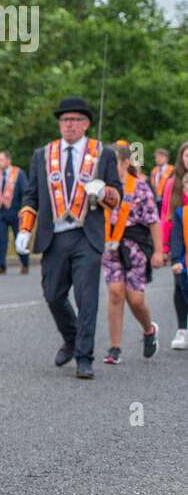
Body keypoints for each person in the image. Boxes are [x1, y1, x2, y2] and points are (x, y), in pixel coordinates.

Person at [15, 96, 120, 379]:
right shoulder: (43, 154)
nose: (69, 125)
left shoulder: (103, 153)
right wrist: (25, 228)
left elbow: (117, 197)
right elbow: (31, 195)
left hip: (88, 236)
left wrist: (104, 193)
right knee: (53, 294)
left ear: (86, 124)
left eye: (74, 120)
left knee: (87, 300)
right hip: (55, 236)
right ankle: (72, 338)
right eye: (64, 121)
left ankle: (84, 357)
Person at [100, 143, 162, 364]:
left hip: (135, 248)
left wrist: (158, 251)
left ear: (126, 163)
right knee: (116, 293)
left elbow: (154, 221)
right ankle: (115, 348)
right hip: (110, 247)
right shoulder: (102, 189)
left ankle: (148, 330)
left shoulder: (140, 187)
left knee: (135, 300)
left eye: (113, 162)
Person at [159, 141, 188, 350]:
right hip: (180, 238)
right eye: (186, 156)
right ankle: (182, 330)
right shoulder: (173, 183)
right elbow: (166, 216)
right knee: (180, 283)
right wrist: (164, 246)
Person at [0, 150, 29, 275]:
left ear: (8, 160)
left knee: (19, 239)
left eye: (1, 160)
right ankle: (1, 265)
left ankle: (25, 263)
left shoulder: (18, 174)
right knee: (1, 239)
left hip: (15, 211)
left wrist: (24, 210)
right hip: (0, 212)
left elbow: (25, 193)